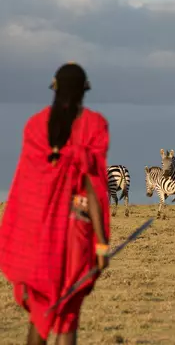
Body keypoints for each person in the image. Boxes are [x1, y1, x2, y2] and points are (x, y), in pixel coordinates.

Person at [0, 63, 111, 345]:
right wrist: (100, 243)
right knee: (68, 314)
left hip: (36, 238)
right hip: (77, 236)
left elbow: (27, 189)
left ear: (55, 88)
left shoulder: (35, 126)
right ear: (85, 89)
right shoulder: (94, 126)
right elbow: (93, 188)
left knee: (40, 311)